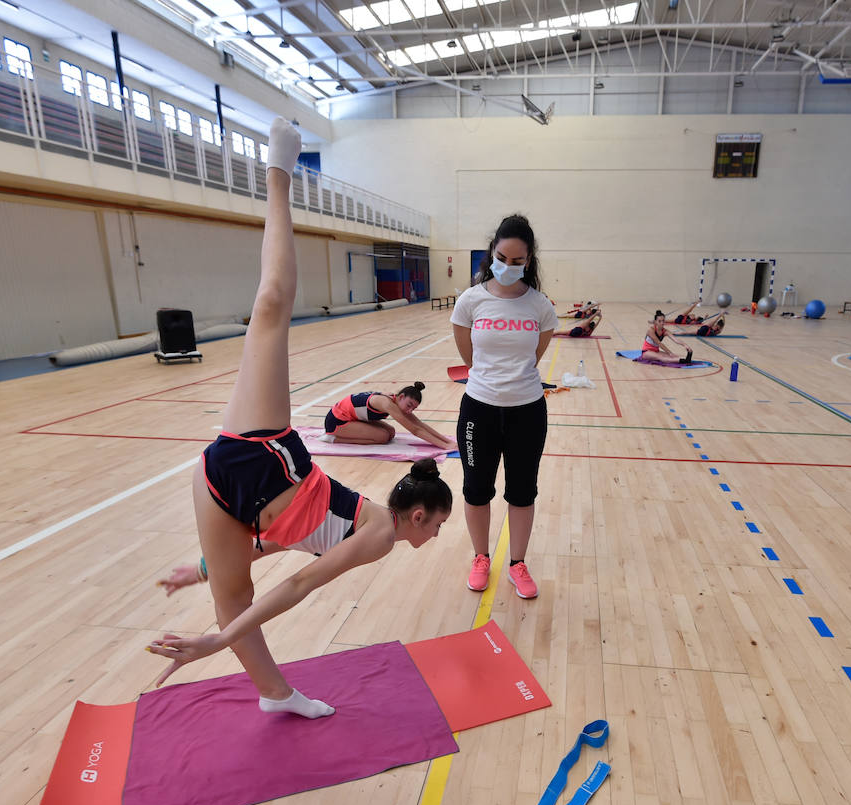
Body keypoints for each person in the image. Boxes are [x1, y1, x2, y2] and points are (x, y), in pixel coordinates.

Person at [145, 120, 453, 716]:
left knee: (232, 598)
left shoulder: (370, 529)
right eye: (436, 528)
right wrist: (214, 643)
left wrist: (206, 569)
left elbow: (290, 541)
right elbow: (301, 584)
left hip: (222, 488)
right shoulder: (380, 535)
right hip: (262, 454)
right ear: (418, 516)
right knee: (271, 307)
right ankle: (279, 174)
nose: (433, 537)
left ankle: (275, 696)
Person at [451, 214, 558, 600]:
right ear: (491, 252)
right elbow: (467, 352)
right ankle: (481, 557)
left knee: (522, 491)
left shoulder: (540, 306)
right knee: (476, 490)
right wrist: (488, 377)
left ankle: (517, 563)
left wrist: (513, 379)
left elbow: (536, 353)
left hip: (527, 410)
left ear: (528, 261)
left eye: (517, 261)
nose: (509, 266)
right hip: (479, 409)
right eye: (502, 257)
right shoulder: (471, 300)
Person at [323, 382, 455, 449]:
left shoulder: (395, 400)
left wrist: (448, 441)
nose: (409, 411)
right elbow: (414, 430)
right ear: (401, 397)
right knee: (383, 437)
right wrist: (443, 446)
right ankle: (335, 439)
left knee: (391, 432)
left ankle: (341, 435)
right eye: (409, 405)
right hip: (336, 421)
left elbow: (419, 424)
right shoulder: (386, 403)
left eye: (413, 408)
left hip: (353, 417)